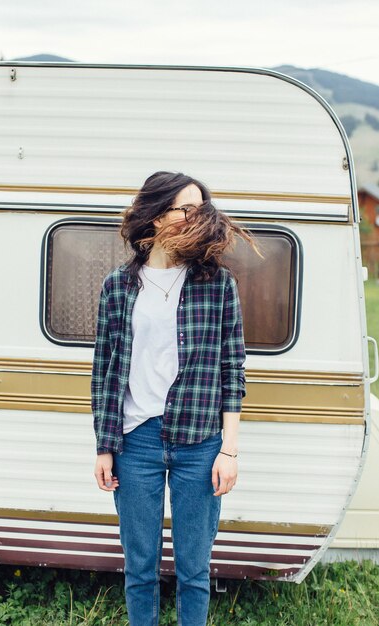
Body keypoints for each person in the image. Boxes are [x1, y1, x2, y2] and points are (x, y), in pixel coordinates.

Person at [91, 171, 260, 626]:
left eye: (200, 209)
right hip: (136, 442)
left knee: (194, 570)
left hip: (200, 442)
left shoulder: (217, 286)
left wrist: (229, 448)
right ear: (155, 212)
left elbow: (233, 369)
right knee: (139, 568)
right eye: (184, 208)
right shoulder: (117, 287)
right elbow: (105, 373)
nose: (194, 217)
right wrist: (104, 446)